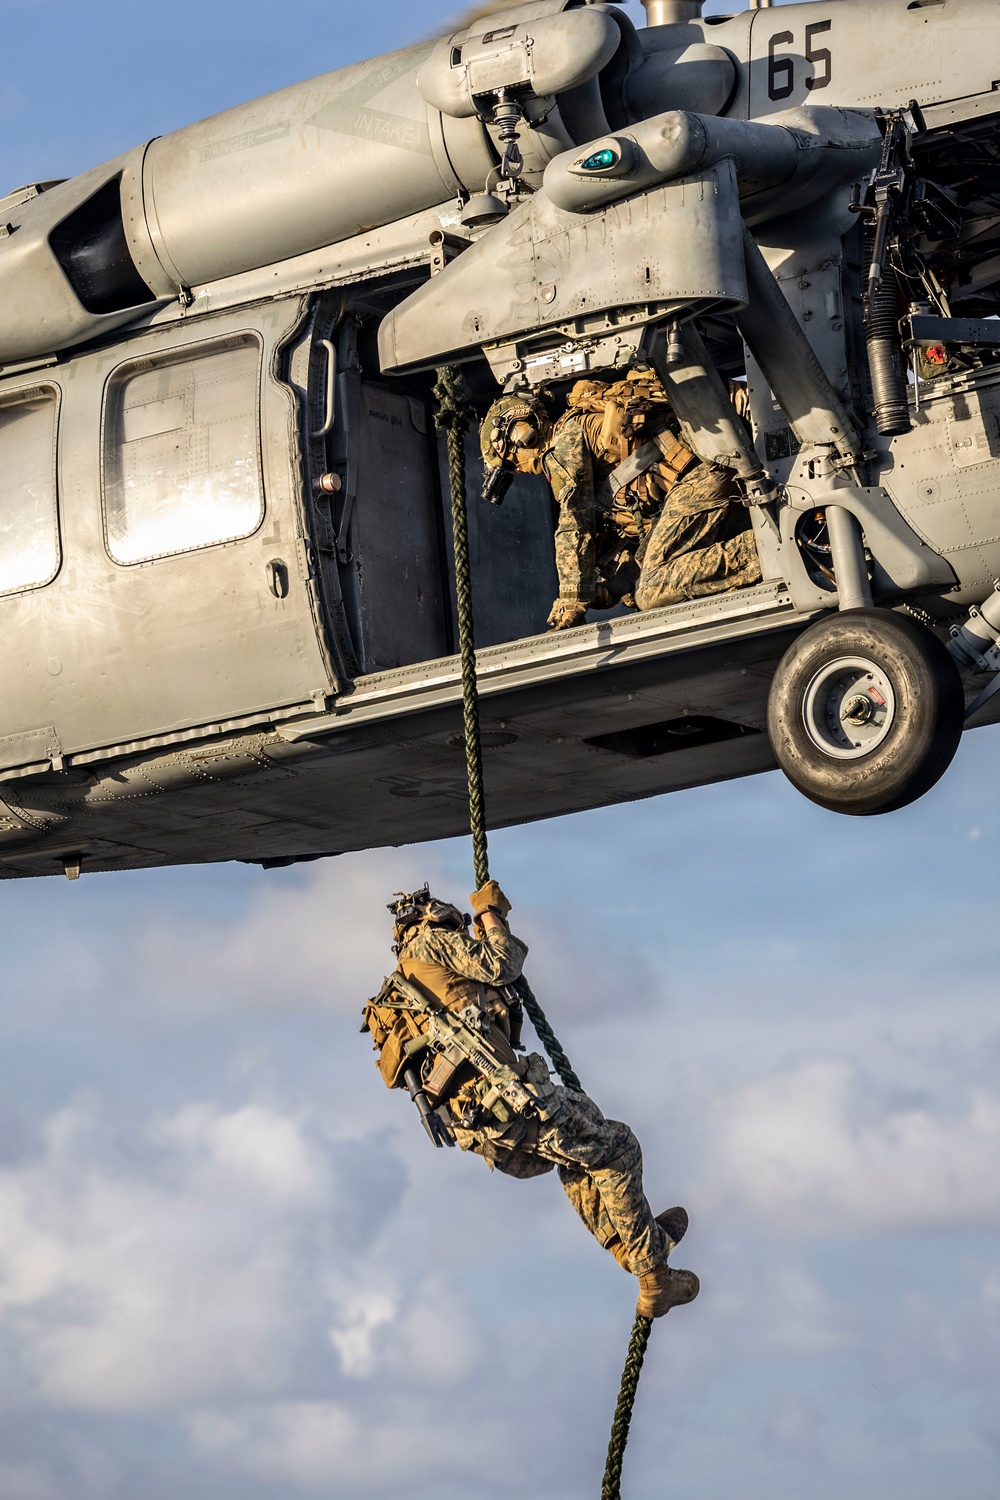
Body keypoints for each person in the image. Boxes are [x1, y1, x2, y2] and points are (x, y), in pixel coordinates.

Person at [362, 880, 700, 1319]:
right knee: (619, 1149)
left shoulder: (398, 996)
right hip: (513, 1102)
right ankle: (654, 1273)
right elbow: (502, 964)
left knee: (578, 1159)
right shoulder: (431, 943)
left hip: (485, 1132)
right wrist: (490, 915)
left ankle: (629, 1245)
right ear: (428, 915)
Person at [480, 369, 761, 630]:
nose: (517, 469)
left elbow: (575, 522)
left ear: (523, 435)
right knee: (642, 590)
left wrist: (571, 599)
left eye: (510, 459)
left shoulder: (562, 443)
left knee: (652, 590)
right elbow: (645, 543)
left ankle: (764, 550)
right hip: (707, 474)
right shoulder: (580, 434)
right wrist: (615, 587)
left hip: (698, 477)